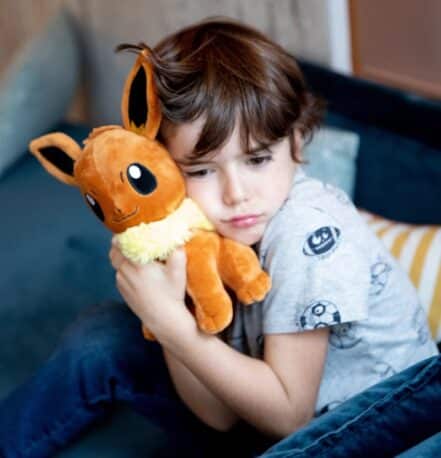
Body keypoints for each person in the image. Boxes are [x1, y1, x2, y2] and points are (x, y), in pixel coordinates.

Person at [0, 17, 439, 458]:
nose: (236, 194)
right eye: (202, 170)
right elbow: (217, 416)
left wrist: (171, 325)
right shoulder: (199, 231)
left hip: (369, 436)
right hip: (261, 411)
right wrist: (171, 313)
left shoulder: (305, 231)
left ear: (297, 142)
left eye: (257, 160)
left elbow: (289, 416)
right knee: (102, 338)